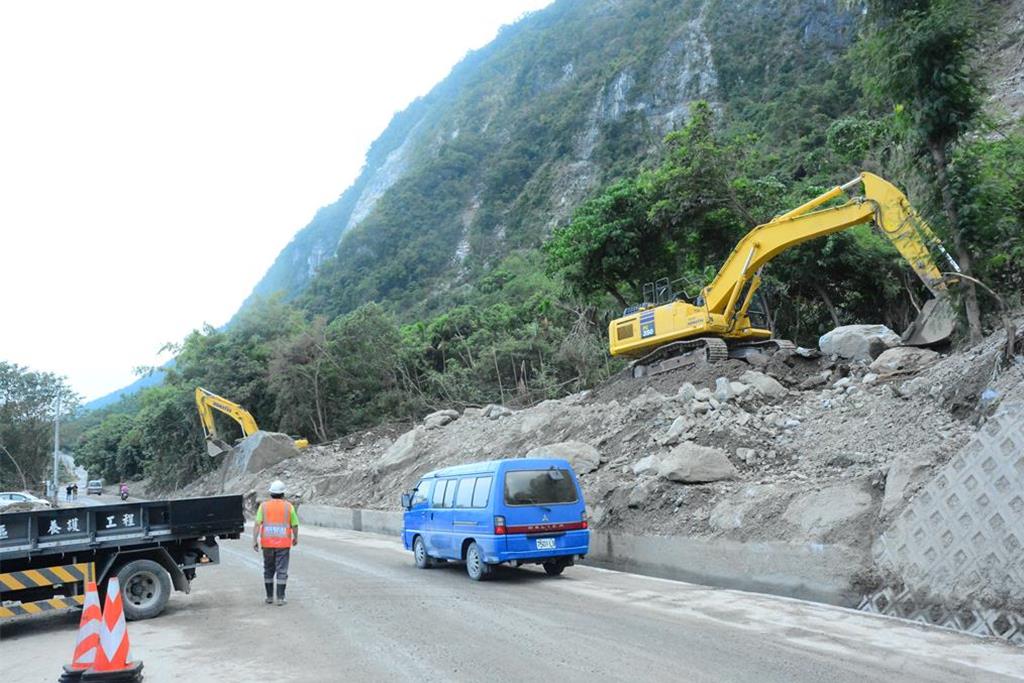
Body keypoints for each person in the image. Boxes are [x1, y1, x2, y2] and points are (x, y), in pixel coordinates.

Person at [253, 480, 298, 605]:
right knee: (281, 570)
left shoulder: (264, 506)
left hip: (267, 544)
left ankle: (269, 597)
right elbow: (294, 524)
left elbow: (257, 524)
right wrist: (296, 537)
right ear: (283, 494)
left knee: (268, 569)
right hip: (283, 544)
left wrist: (254, 540)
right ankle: (280, 598)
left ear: (271, 493)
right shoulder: (288, 507)